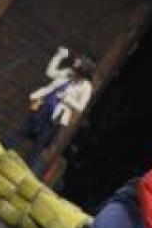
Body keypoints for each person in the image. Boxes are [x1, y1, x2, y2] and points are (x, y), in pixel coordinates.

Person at [6, 46, 95, 175]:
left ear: (85, 66)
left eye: (79, 60)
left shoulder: (86, 86)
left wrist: (66, 99)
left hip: (56, 117)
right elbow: (50, 73)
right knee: (23, 131)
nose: (76, 60)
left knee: (39, 145)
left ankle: (24, 172)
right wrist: (59, 56)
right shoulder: (68, 72)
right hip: (43, 107)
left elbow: (80, 107)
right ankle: (1, 149)